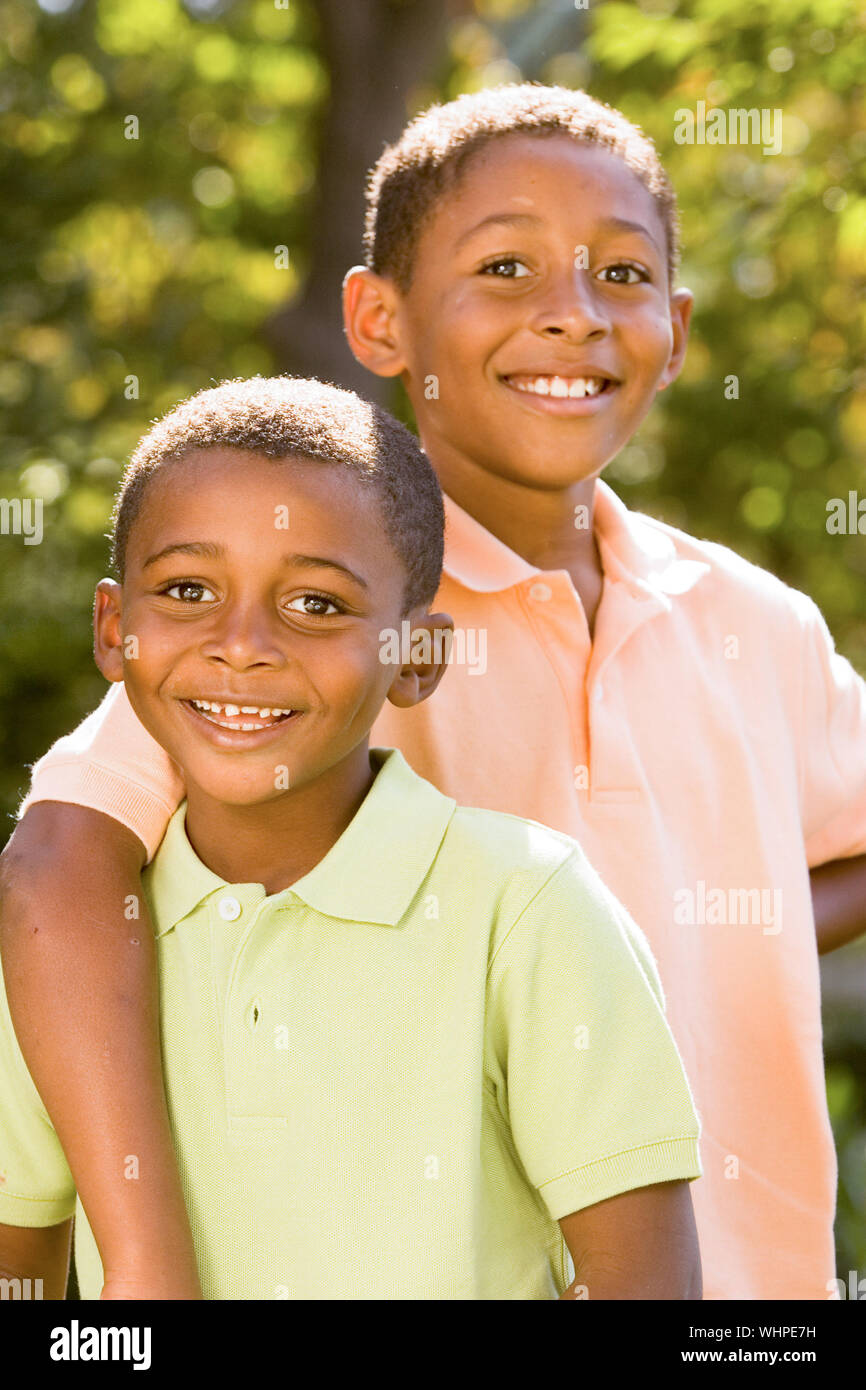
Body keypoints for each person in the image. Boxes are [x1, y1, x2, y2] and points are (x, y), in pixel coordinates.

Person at [2, 84, 864, 1300]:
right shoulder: (329, 617)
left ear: (675, 330)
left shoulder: (754, 624)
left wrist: (714, 914)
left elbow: (820, 852)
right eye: (505, 267)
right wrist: (147, 1271)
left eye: (618, 277)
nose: (569, 317)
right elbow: (61, 868)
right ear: (378, 319)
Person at [0, 375, 702, 1301]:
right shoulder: (70, 958)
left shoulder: (526, 909)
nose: (242, 643)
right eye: (188, 590)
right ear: (113, 628)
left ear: (417, 657)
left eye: (317, 605)